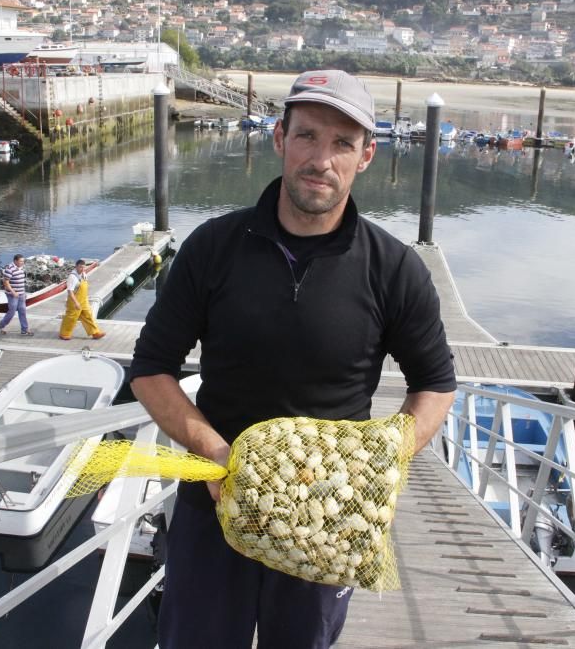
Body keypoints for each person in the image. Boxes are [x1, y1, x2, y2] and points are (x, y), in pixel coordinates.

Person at [129, 70, 457, 649]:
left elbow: (435, 385)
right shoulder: (212, 247)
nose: (321, 159)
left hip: (329, 518)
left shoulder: (395, 269)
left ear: (366, 156)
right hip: (216, 499)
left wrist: (381, 460)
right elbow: (152, 368)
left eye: (342, 144)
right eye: (307, 136)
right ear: (278, 138)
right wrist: (216, 452)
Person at [58, 259, 105, 340]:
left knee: (89, 316)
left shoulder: (84, 274)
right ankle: (64, 333)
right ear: (76, 266)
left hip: (84, 300)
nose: (82, 269)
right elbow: (70, 291)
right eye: (80, 267)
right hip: (74, 301)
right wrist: (76, 302)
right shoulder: (72, 277)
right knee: (71, 317)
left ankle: (95, 333)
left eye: (83, 267)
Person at [0, 254, 33, 336]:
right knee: (12, 312)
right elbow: (6, 282)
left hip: (21, 294)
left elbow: (21, 281)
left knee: (22, 311)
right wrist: (13, 292)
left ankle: (24, 329)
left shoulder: (21, 268)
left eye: (23, 261)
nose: (22, 263)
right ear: (15, 261)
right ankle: (1, 325)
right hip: (12, 295)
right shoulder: (10, 269)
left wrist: (24, 292)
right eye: (21, 261)